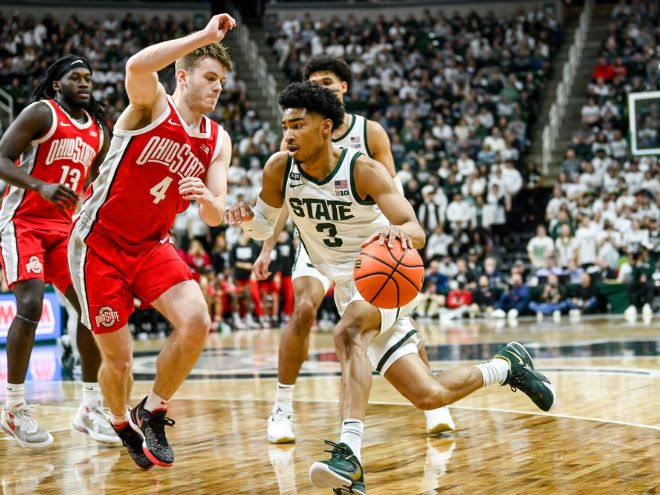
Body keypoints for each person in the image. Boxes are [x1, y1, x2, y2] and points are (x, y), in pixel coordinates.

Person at [226, 82, 556, 494]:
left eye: (299, 125)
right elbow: (261, 225)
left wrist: (399, 234)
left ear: (326, 128)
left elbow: (415, 229)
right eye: (285, 125)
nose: (289, 134)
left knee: (346, 332)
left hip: (389, 276)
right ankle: (507, 366)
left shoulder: (362, 169)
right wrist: (243, 218)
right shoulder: (279, 168)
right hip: (349, 288)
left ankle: (349, 455)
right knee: (429, 395)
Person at [252, 55, 455, 444]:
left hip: (366, 240)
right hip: (316, 238)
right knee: (303, 306)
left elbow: (391, 192)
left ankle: (434, 403)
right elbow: (282, 199)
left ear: (342, 88)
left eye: (327, 82)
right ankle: (283, 407)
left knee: (394, 319)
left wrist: (402, 237)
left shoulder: (369, 133)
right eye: (313, 83)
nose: (320, 89)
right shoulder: (295, 136)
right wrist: (266, 247)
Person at [68, 14, 235, 469]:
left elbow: (214, 213)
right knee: (118, 362)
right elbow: (136, 66)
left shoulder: (218, 139)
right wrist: (203, 37)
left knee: (197, 320)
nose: (217, 88)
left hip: (151, 245)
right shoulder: (151, 105)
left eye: (222, 82)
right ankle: (120, 421)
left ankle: (154, 409)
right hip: (99, 242)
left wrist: (209, 200)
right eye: (210, 78)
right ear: (182, 76)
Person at [0, 55, 116, 447]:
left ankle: (89, 408)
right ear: (56, 84)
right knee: (31, 304)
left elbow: (101, 180)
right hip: (22, 221)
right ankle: (14, 408)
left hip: (63, 230)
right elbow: (0, 157)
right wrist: (39, 185)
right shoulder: (41, 113)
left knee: (91, 308)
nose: (84, 83)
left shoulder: (99, 131)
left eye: (89, 78)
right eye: (75, 77)